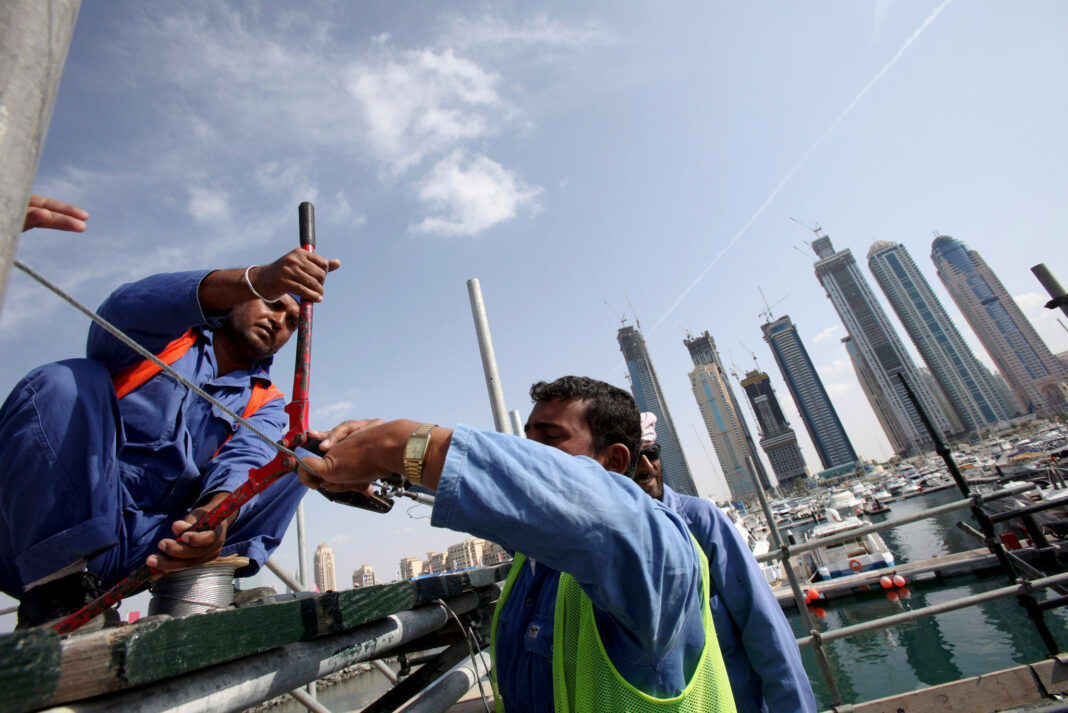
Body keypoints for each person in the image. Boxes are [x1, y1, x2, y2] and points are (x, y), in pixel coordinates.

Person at [301, 376, 737, 712]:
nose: (529, 457)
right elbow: (497, 494)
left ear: (615, 461)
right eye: (526, 445)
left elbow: (591, 506)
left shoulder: (655, 547)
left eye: (549, 442)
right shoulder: (540, 558)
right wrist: (387, 468)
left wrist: (397, 443)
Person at [0, 238, 341, 628]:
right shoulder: (165, 340)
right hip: (43, 540)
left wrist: (213, 522)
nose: (280, 321)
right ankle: (59, 593)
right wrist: (256, 279)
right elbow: (125, 309)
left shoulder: (267, 401)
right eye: (272, 302)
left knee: (300, 456)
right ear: (243, 298)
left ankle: (207, 584)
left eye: (294, 322)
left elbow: (244, 462)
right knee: (64, 380)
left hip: (153, 554)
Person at [634, 413, 816, 713]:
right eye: (634, 459)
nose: (646, 466)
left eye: (651, 453)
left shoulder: (700, 522)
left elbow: (765, 631)